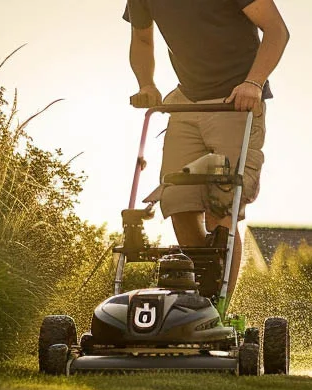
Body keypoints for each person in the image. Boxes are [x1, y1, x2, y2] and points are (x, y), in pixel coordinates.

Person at [123, 0, 289, 299]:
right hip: (185, 100)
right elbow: (143, 38)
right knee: (178, 202)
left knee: (222, 205)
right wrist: (146, 84)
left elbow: (277, 31)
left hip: (236, 100)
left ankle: (219, 309)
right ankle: (199, 297)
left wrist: (254, 82)